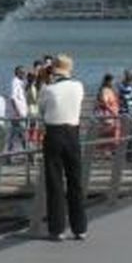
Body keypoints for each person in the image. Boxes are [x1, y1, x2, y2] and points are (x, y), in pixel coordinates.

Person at [40, 54, 87, 241]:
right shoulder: (79, 86)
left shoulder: (48, 89)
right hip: (73, 134)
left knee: (55, 182)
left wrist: (44, 81)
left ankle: (57, 228)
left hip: (53, 133)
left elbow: (42, 111)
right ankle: (80, 227)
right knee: (75, 181)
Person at [95, 73, 121, 154]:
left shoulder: (110, 90)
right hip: (108, 115)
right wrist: (113, 112)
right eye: (112, 81)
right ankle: (106, 151)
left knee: (113, 132)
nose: (114, 83)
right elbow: (105, 103)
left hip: (112, 114)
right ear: (108, 81)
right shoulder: (105, 90)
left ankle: (110, 150)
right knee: (108, 132)